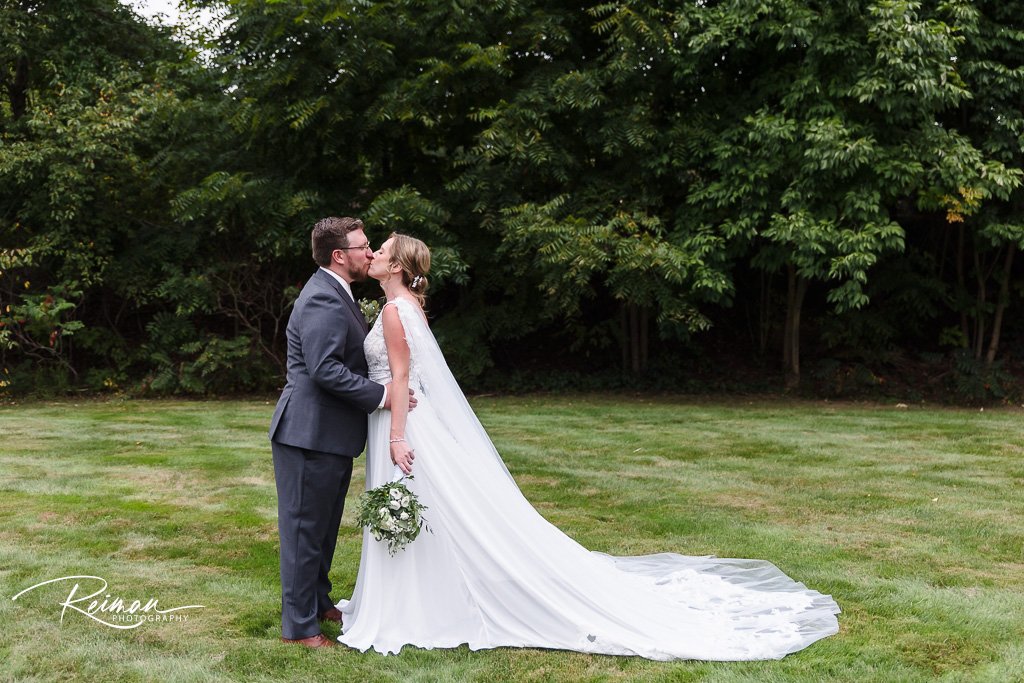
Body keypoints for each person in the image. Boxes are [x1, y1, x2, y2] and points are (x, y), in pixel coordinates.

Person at [338, 232, 840, 660]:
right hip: (399, 420)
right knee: (429, 512)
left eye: (381, 250)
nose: (374, 256)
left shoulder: (394, 314)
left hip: (401, 424)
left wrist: (399, 435)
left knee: (420, 507)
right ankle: (419, 596)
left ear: (399, 265)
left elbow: (402, 378)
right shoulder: (403, 308)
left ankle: (416, 605)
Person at [269, 217, 415, 648]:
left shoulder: (338, 293)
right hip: (307, 434)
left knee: (322, 528)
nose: (369, 253)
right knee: (303, 530)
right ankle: (299, 629)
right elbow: (325, 368)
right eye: (363, 246)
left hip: (328, 434)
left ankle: (317, 602)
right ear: (340, 255)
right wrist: (383, 395)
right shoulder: (321, 299)